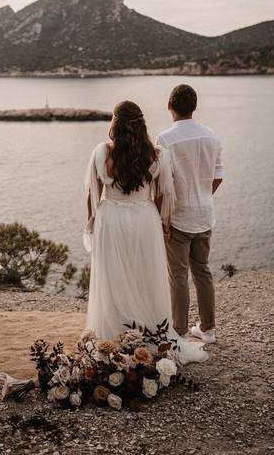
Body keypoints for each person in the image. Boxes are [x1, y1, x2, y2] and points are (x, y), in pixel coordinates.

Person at [84, 100, 207, 363]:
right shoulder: (158, 155)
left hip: (111, 220)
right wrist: (164, 226)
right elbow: (163, 195)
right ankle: (149, 331)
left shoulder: (102, 152)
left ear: (114, 124)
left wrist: (92, 224)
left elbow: (91, 194)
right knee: (145, 275)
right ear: (142, 124)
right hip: (144, 219)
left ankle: (114, 334)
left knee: (113, 276)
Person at [156, 84, 224, 344]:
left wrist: (163, 217)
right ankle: (208, 330)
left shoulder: (164, 139)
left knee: (179, 275)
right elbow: (218, 177)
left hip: (178, 217)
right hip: (204, 214)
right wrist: (203, 197)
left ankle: (180, 331)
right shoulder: (211, 136)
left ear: (169, 106)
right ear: (194, 107)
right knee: (203, 270)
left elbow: (162, 184)